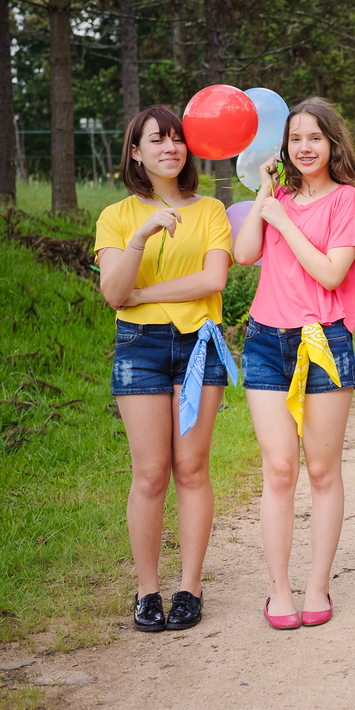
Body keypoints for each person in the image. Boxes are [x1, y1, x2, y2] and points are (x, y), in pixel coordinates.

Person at [95, 105, 235, 632]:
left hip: (199, 345)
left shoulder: (211, 211)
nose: (170, 148)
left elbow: (212, 281)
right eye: (157, 140)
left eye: (178, 139)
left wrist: (142, 294)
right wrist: (140, 237)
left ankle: (190, 588)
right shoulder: (117, 215)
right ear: (135, 151)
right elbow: (113, 293)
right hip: (139, 346)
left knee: (192, 469)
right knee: (151, 473)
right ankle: (147, 590)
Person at [233, 97, 355, 629]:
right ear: (283, 147)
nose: (304, 147)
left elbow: (331, 274)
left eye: (314, 138)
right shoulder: (277, 197)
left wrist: (284, 223)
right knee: (280, 468)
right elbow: (245, 254)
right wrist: (268, 193)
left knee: (320, 468)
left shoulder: (347, 202)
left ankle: (318, 585)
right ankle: (278, 590)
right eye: (295, 139)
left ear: (333, 143)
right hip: (267, 341)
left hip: (324, 342)